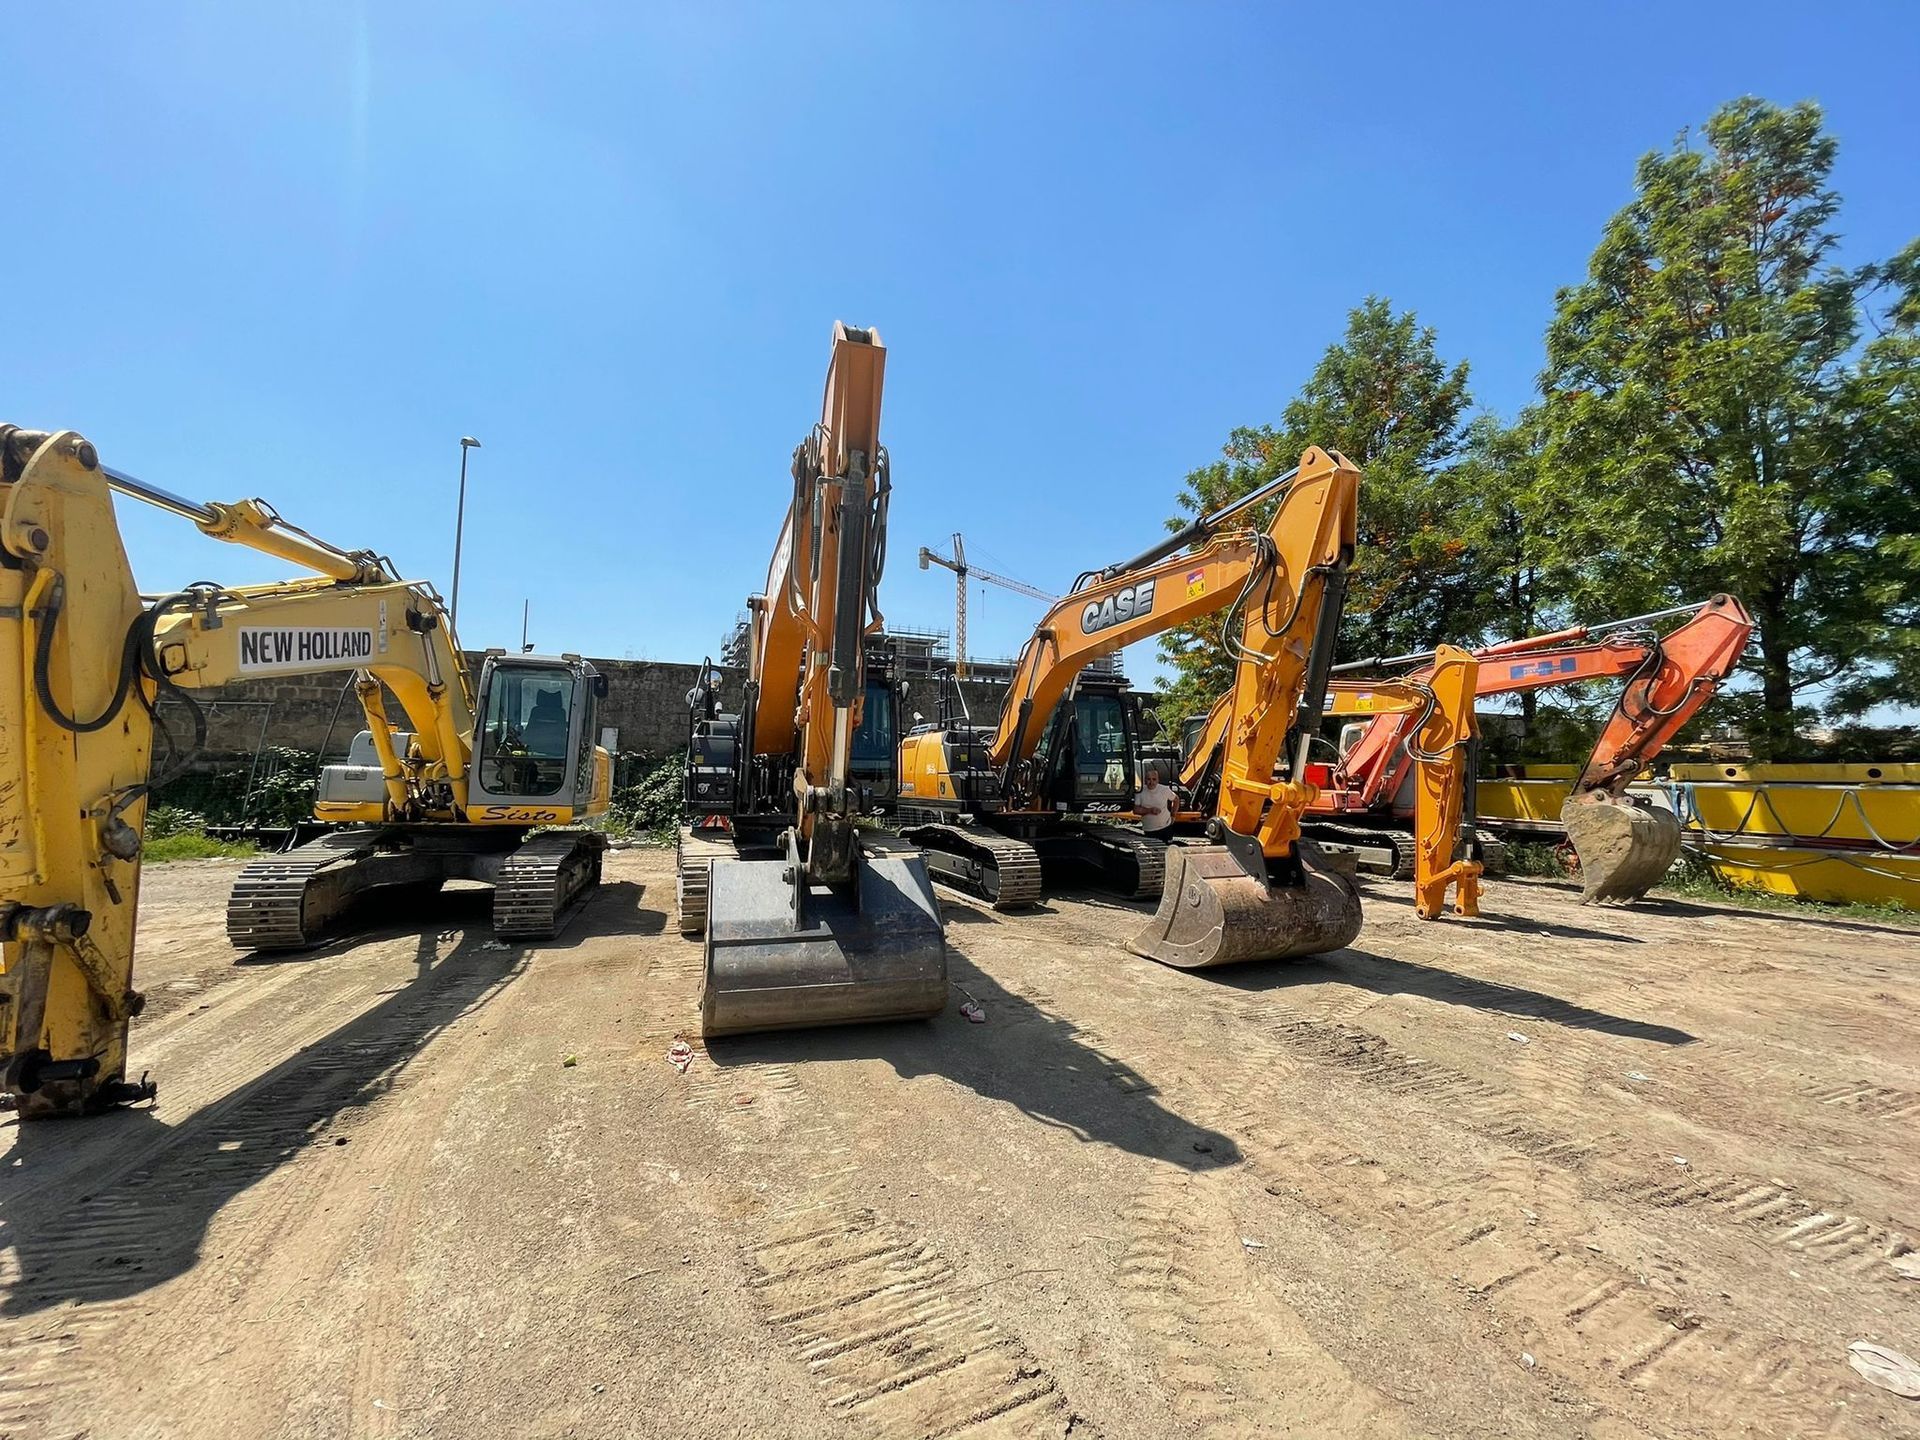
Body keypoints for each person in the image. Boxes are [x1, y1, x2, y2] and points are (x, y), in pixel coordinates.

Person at [1135, 765, 1174, 842]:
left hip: (1165, 828)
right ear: (1145, 780)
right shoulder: (1140, 791)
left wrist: (1173, 815)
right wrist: (1150, 810)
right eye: (1149, 779)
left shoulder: (1164, 789)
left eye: (1154, 779)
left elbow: (1176, 799)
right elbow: (1135, 810)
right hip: (1149, 830)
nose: (1151, 782)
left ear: (1158, 780)